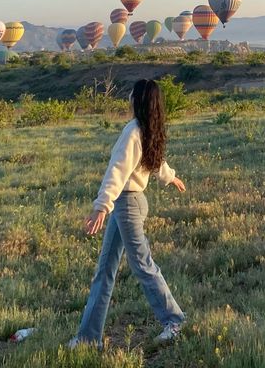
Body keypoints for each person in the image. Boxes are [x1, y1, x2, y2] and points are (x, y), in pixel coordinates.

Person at [68, 79, 186, 349]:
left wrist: (101, 206)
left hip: (128, 204)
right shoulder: (146, 130)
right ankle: (88, 338)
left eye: (133, 94)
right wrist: (171, 178)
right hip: (128, 204)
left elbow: (118, 170)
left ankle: (175, 320)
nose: (129, 97)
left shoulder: (134, 131)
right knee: (105, 271)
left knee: (143, 265)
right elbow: (157, 163)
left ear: (141, 100)